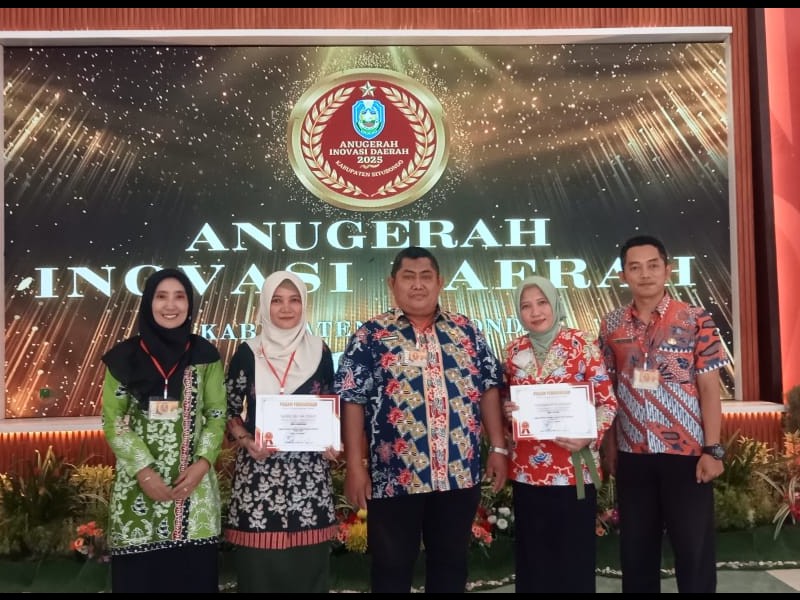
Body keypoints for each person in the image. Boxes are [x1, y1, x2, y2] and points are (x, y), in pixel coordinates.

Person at [334, 246, 507, 593]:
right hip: (395, 476)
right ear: (392, 284)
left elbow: (488, 387)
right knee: (391, 568)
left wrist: (499, 448)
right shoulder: (371, 335)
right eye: (408, 277)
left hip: (458, 474)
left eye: (426, 276)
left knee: (451, 565)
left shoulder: (466, 331)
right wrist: (355, 465)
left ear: (440, 282)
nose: (417, 285)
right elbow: (352, 400)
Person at [598, 234, 729, 593]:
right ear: (623, 275)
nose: (645, 274)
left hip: (687, 454)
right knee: (636, 552)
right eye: (635, 267)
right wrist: (609, 445)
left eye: (653, 265)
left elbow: (709, 388)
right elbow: (607, 389)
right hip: (633, 453)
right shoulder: (611, 325)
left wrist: (713, 450)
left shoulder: (696, 319)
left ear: (668, 270)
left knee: (693, 550)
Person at [100, 268, 225, 593]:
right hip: (137, 493)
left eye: (179, 297)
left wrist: (202, 465)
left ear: (190, 304)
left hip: (193, 494)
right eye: (161, 296)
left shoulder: (205, 356)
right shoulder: (124, 358)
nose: (171, 305)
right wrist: (144, 471)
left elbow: (216, 415)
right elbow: (114, 420)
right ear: (148, 303)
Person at [223, 271, 339, 593]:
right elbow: (228, 410)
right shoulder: (248, 352)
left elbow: (330, 401)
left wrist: (331, 439)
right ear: (265, 305)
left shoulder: (319, 350)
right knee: (260, 573)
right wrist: (246, 440)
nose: (286, 308)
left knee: (308, 571)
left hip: (309, 477)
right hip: (259, 477)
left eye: (294, 300)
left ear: (304, 304)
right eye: (277, 300)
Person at [502, 275, 617, 593]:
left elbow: (608, 403)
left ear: (555, 304)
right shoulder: (513, 351)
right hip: (528, 472)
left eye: (542, 303)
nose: (535, 312)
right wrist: (508, 411)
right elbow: (506, 402)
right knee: (533, 561)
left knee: (574, 560)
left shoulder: (582, 345)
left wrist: (588, 434)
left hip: (572, 470)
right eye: (526, 306)